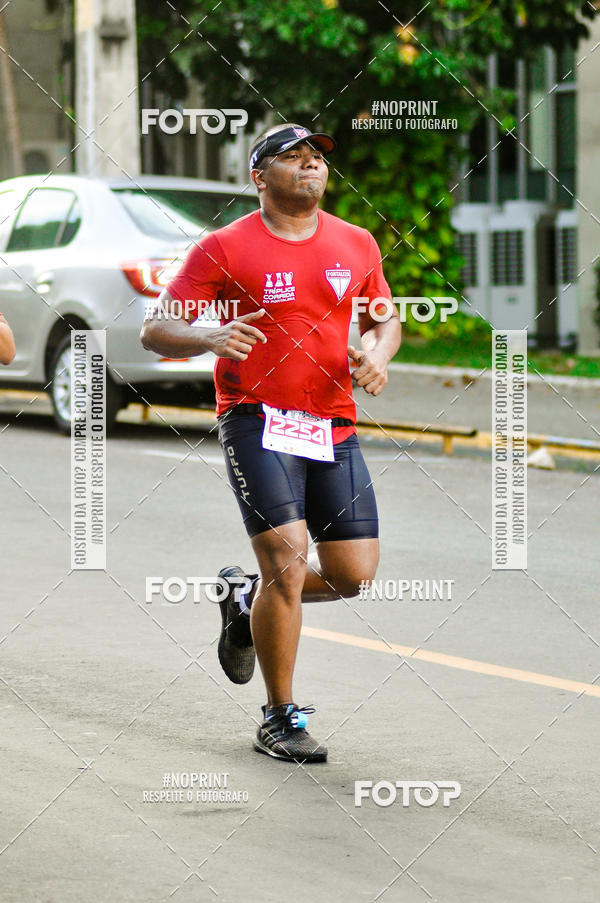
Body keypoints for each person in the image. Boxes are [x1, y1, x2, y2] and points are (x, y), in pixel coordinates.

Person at [140, 123, 401, 763]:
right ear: (260, 177)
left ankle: (243, 598)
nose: (310, 164)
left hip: (333, 420)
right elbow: (155, 327)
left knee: (352, 575)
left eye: (316, 157)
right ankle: (280, 717)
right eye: (293, 157)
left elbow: (384, 316)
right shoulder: (224, 247)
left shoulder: (355, 241)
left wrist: (377, 352)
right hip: (256, 418)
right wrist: (207, 338)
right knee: (286, 563)